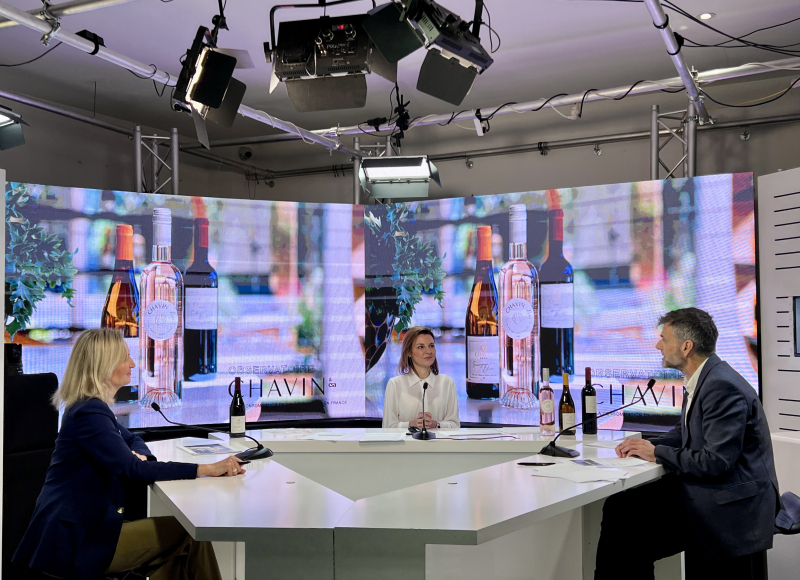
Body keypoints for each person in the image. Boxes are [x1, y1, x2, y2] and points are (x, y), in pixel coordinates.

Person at [13, 328, 246, 580]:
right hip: (76, 541)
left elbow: (133, 440)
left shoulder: (90, 408)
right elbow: (133, 469)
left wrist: (139, 456)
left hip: (86, 529)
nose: (133, 364)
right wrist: (206, 469)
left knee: (175, 553)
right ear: (105, 365)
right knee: (191, 533)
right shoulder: (89, 413)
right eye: (125, 357)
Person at [594, 308, 780, 580]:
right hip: (715, 490)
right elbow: (685, 433)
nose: (658, 345)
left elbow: (715, 462)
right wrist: (643, 444)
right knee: (622, 509)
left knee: (625, 518)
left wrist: (656, 452)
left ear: (686, 347)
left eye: (664, 339)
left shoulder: (721, 386)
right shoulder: (706, 377)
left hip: (731, 503)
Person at [382, 326, 460, 429]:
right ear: (409, 352)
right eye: (420, 347)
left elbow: (455, 425)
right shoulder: (395, 384)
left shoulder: (447, 383)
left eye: (431, 346)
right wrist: (411, 424)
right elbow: (388, 427)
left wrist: (435, 424)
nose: (428, 351)